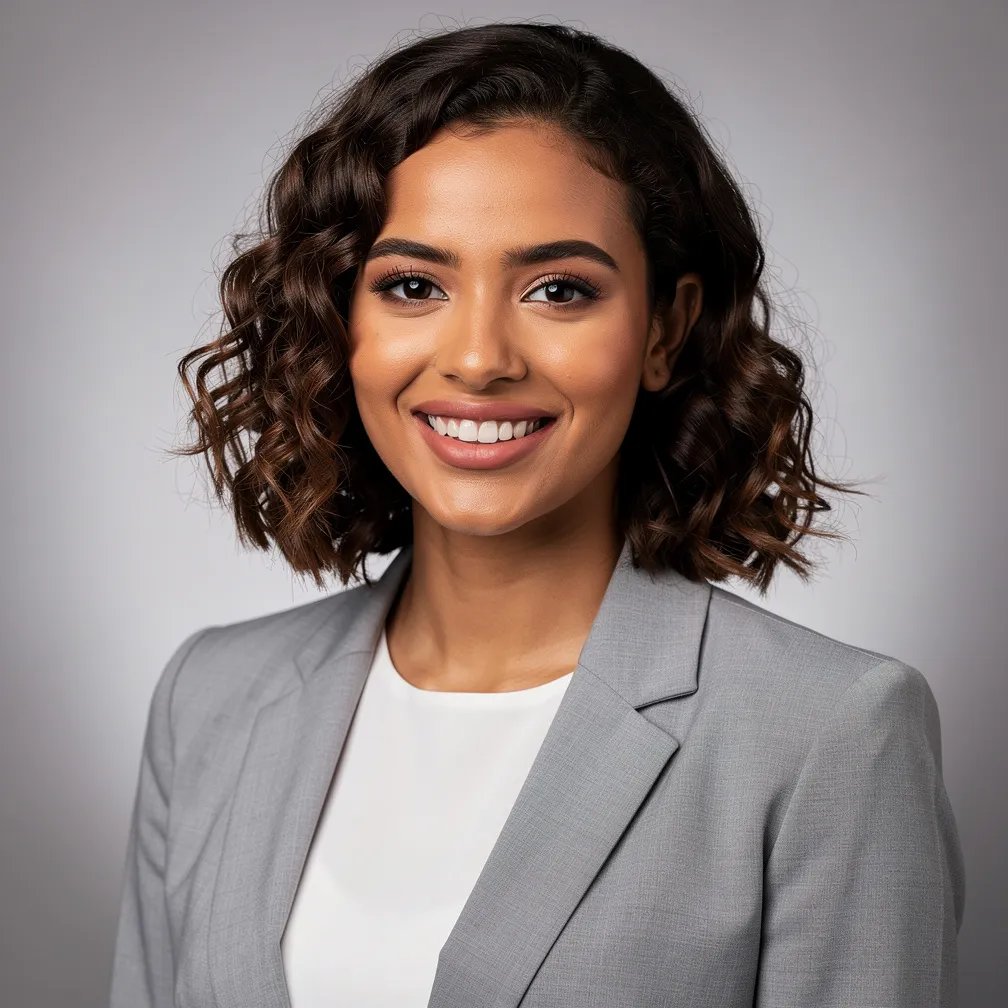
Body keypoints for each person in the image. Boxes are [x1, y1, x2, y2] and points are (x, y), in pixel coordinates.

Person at [108, 20, 965, 1008]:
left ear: (664, 330)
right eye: (413, 285)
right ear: (342, 321)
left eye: (559, 290)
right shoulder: (209, 701)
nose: (478, 358)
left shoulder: (829, 735)